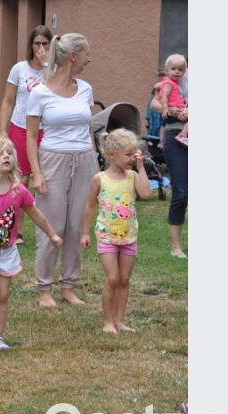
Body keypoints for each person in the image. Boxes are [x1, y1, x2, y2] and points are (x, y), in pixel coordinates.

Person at [0, 137, 62, 349]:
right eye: (1, 153)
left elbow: (37, 215)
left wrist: (52, 234)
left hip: (6, 251)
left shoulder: (18, 191)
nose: (7, 156)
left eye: (9, 152)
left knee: (2, 295)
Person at [25, 32, 96, 308]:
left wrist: (94, 163)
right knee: (52, 225)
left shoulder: (86, 89)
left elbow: (87, 128)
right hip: (53, 160)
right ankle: (44, 288)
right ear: (73, 56)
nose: (90, 59)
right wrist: (37, 172)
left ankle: (68, 286)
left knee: (77, 225)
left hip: (85, 160)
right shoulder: (39, 92)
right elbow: (31, 136)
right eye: (86, 53)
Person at [81, 129, 152, 334]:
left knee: (124, 279)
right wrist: (85, 233)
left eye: (135, 153)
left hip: (129, 236)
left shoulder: (132, 176)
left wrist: (140, 167)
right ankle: (108, 322)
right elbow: (89, 206)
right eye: (129, 154)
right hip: (107, 236)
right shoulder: (99, 179)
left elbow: (146, 194)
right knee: (112, 279)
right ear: (112, 154)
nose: (133, 158)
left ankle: (120, 321)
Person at [0, 25, 53, 197]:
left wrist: (46, 65)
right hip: (20, 126)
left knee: (46, 176)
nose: (41, 48)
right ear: (31, 45)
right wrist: (2, 130)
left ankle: (45, 219)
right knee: (21, 178)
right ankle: (16, 221)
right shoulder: (19, 68)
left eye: (45, 43)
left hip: (46, 129)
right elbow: (8, 100)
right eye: (37, 43)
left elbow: (56, 92)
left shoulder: (54, 70)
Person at [150, 72, 188, 259]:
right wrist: (174, 110)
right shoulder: (174, 81)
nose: (179, 70)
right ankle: (176, 247)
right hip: (176, 137)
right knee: (181, 192)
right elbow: (154, 104)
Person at [154, 54, 188, 147]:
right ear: (166, 71)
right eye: (174, 69)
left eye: (180, 70)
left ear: (184, 71)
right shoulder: (170, 83)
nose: (177, 72)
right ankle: (183, 135)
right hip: (175, 113)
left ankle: (162, 140)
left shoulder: (172, 82)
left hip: (177, 110)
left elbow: (156, 87)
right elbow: (161, 98)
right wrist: (166, 109)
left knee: (163, 124)